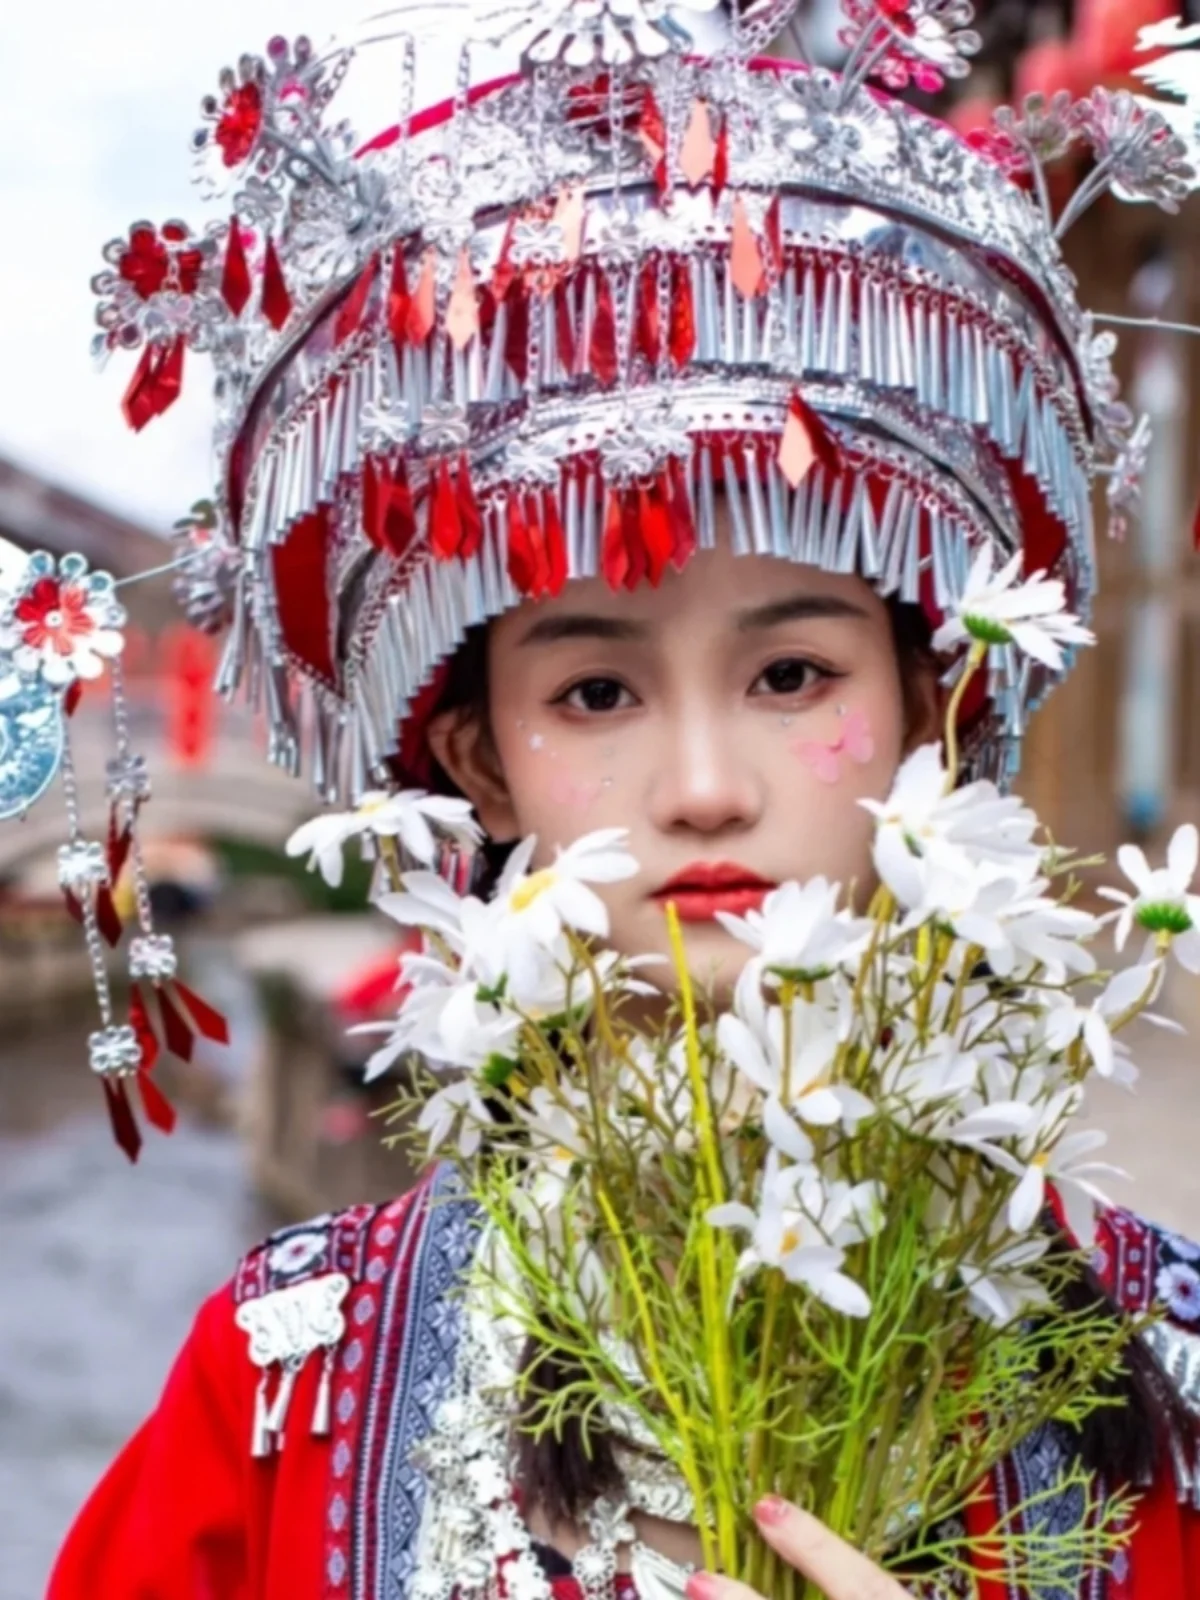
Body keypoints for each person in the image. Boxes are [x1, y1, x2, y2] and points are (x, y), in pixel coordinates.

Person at [40, 1, 1200, 1595]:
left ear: (935, 705)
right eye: (596, 692)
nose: (707, 790)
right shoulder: (279, 1392)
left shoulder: (1170, 1380)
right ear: (477, 758)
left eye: (793, 676)